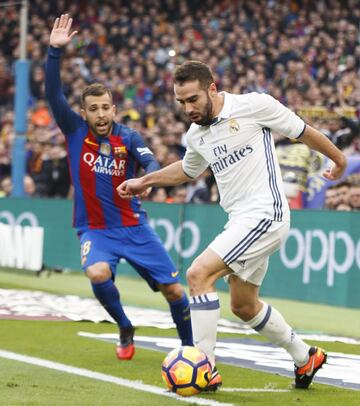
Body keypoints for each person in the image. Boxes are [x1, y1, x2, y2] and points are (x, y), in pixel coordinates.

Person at [118, 60, 347, 389]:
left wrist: (339, 160)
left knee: (198, 275)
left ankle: (204, 367)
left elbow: (302, 132)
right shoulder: (196, 135)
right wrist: (146, 180)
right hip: (241, 220)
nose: (188, 108)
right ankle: (305, 356)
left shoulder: (254, 105)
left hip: (266, 213)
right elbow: (188, 169)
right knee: (243, 305)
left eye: (193, 99)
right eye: (181, 102)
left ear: (212, 88)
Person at [45, 14, 193, 361]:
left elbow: (152, 163)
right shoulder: (74, 131)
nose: (100, 114)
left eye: (105, 108)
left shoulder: (128, 137)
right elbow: (53, 93)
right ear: (83, 112)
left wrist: (146, 181)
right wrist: (54, 52)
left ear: (114, 108)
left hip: (134, 226)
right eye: (93, 109)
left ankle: (190, 350)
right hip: (95, 230)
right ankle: (125, 326)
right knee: (97, 273)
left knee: (174, 290)